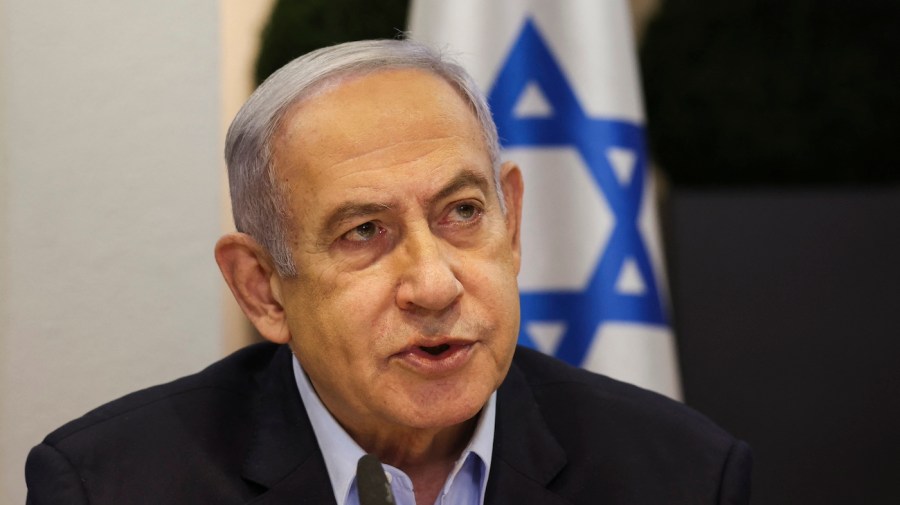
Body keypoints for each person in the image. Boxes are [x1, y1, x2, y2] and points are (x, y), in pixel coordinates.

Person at [25, 39, 751, 505]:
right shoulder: (110, 485)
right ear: (262, 288)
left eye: (463, 212)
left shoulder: (682, 476)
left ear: (514, 224)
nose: (434, 284)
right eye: (364, 232)